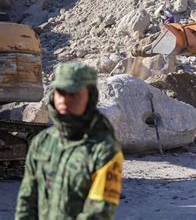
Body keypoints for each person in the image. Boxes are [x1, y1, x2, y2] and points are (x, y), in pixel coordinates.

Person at [16, 62, 123, 220]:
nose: (65, 100)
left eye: (74, 93)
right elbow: (27, 199)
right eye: (61, 92)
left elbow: (99, 211)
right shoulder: (42, 142)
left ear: (90, 97)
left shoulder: (104, 149)